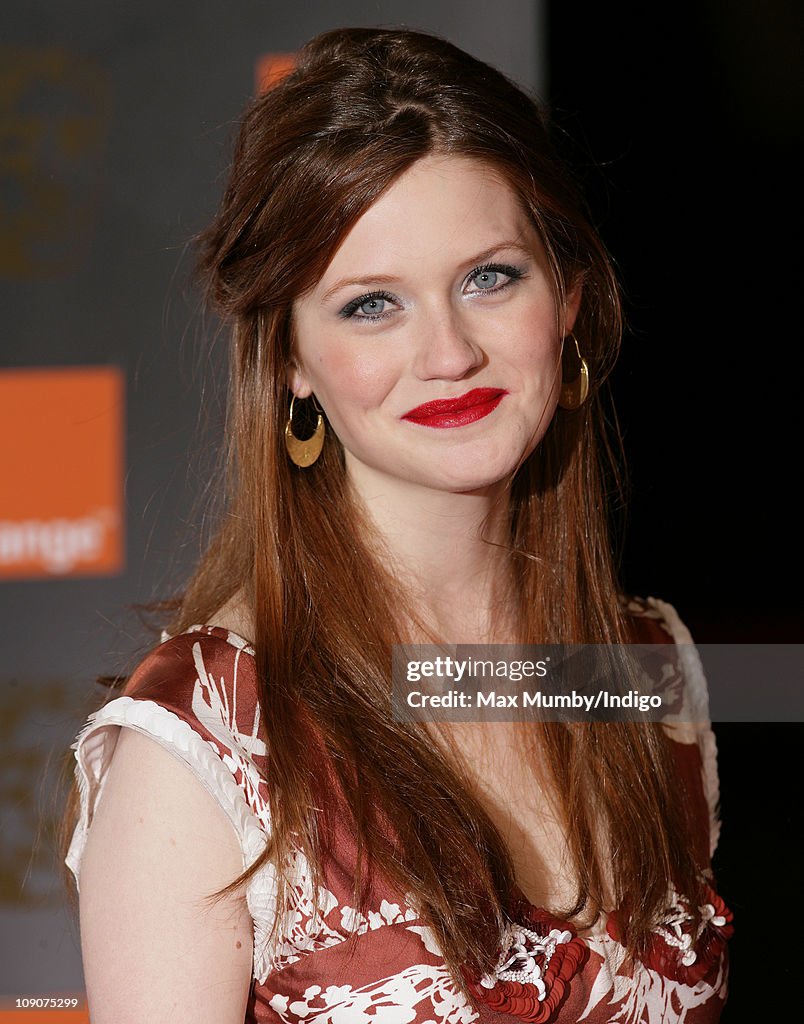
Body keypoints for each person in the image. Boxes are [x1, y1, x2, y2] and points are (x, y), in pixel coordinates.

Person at [62, 26, 732, 1023]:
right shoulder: (205, 745)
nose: (449, 351)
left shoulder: (645, 668)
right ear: (289, 360)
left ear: (569, 298)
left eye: (490, 277)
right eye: (372, 304)